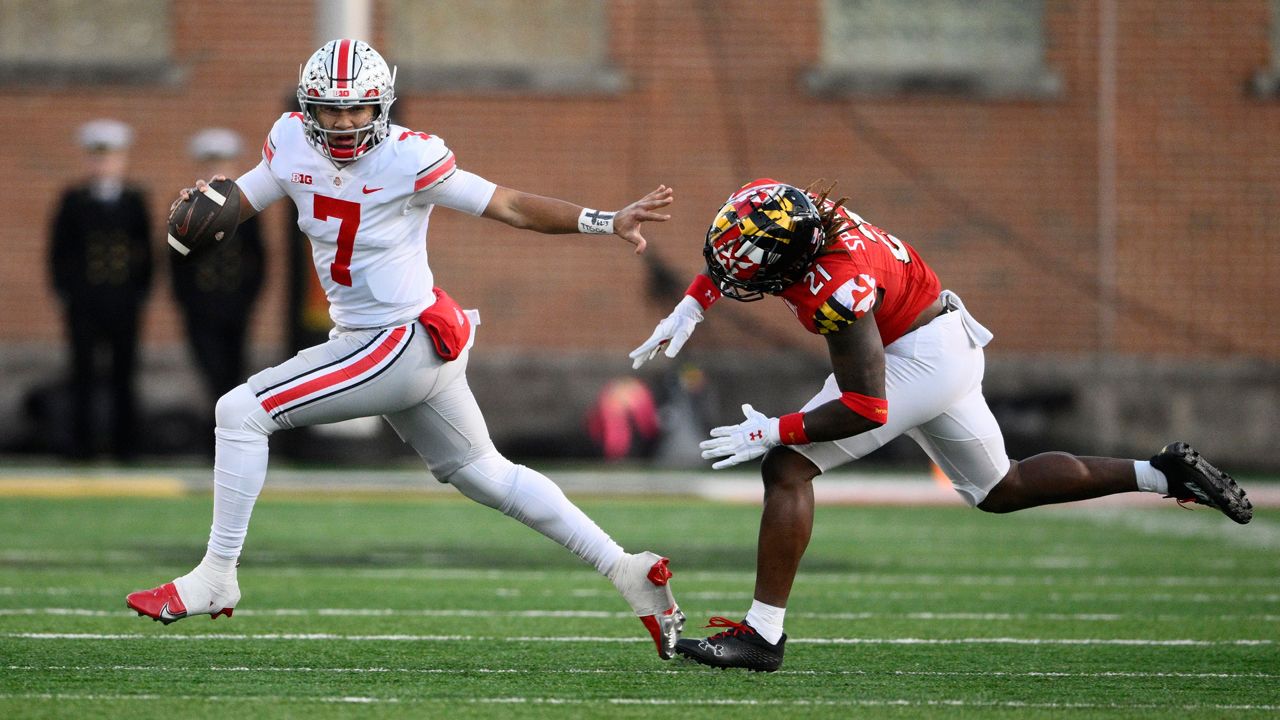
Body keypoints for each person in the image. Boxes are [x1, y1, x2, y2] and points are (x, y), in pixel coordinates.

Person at [126, 39, 685, 660]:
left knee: (240, 411)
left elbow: (509, 205)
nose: (342, 123)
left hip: (397, 339)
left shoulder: (411, 158)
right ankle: (626, 570)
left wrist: (606, 220)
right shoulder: (288, 140)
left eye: (357, 111)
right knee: (483, 474)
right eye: (329, 110)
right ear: (308, 107)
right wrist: (209, 205)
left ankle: (215, 576)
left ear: (381, 108)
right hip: (394, 341)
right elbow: (249, 196)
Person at [629, 178, 1253, 671]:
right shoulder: (796, 208)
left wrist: (775, 430)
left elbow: (864, 408)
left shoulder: (839, 291)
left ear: (794, 261)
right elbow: (748, 246)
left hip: (914, 358)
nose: (732, 271)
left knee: (788, 465)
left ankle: (763, 635)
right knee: (999, 489)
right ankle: (1162, 472)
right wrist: (693, 302)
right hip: (939, 338)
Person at [49, 119, 153, 461]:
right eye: (97, 157)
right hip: (85, 301)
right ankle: (80, 445)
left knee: (124, 371)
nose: (104, 164)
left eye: (111, 157)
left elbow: (146, 252)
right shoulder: (74, 200)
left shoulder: (134, 200)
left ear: (121, 160)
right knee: (82, 371)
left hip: (123, 301)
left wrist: (140, 293)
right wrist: (69, 292)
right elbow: (60, 252)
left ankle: (126, 445)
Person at [171, 128, 266, 411]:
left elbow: (257, 259)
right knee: (209, 367)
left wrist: (248, 299)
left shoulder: (245, 211)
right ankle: (213, 428)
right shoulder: (187, 208)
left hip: (235, 302)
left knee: (234, 370)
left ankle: (228, 428)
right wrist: (188, 302)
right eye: (212, 165)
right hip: (201, 304)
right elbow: (177, 262)